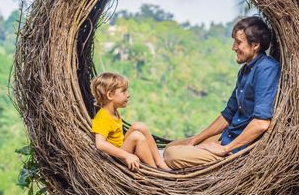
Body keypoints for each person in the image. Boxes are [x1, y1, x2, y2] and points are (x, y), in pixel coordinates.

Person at [164, 16, 280, 169]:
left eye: (238, 42)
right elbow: (228, 114)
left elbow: (261, 123)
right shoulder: (245, 71)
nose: (234, 47)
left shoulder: (267, 69)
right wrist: (196, 139)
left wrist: (224, 149)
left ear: (255, 45)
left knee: (173, 155)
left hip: (237, 149)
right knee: (170, 147)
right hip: (227, 136)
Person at [91, 72, 170, 171]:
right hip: (116, 157)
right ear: (110, 95)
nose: (128, 95)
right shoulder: (102, 117)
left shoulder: (113, 112)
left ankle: (159, 162)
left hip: (121, 148)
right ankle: (154, 170)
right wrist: (127, 155)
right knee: (136, 136)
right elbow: (100, 144)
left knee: (139, 126)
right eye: (123, 91)